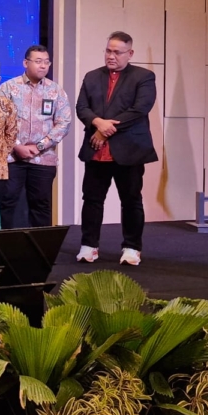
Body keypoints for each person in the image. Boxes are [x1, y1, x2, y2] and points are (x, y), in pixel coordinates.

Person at [75, 31, 157, 266]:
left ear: (130, 53)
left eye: (117, 52)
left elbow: (140, 109)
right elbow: (82, 107)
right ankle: (89, 246)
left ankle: (132, 247)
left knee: (131, 200)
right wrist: (97, 122)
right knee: (92, 200)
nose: (111, 56)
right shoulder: (92, 76)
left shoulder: (143, 76)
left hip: (129, 150)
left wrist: (105, 129)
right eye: (108, 51)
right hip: (96, 150)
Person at [0, 45, 72, 229]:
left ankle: (40, 245)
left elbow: (64, 123)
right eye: (38, 61)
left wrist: (39, 146)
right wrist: (16, 146)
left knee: (41, 205)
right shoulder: (8, 88)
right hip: (12, 158)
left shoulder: (56, 91)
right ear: (25, 63)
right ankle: (3, 243)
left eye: (46, 62)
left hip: (43, 158)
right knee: (6, 203)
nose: (43, 66)